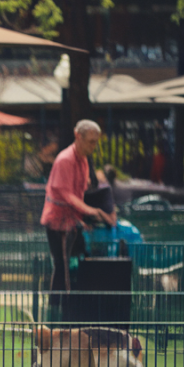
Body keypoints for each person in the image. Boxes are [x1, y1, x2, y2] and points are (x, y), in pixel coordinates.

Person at [40, 119, 116, 301]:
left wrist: (85, 216)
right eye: (91, 141)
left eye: (96, 142)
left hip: (72, 222)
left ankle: (73, 307)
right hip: (57, 223)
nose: (94, 146)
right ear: (78, 137)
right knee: (61, 266)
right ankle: (57, 313)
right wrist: (91, 211)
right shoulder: (65, 159)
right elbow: (67, 195)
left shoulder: (83, 161)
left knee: (77, 262)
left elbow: (80, 191)